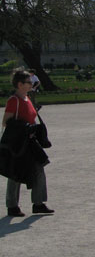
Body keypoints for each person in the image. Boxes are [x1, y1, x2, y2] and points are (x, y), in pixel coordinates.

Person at [3, 71, 53, 217]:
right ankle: (12, 206)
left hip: (30, 140)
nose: (32, 84)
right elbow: (5, 122)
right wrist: (24, 127)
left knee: (39, 167)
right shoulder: (14, 100)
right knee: (15, 173)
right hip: (18, 142)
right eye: (29, 82)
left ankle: (38, 203)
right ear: (20, 84)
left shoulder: (27, 98)